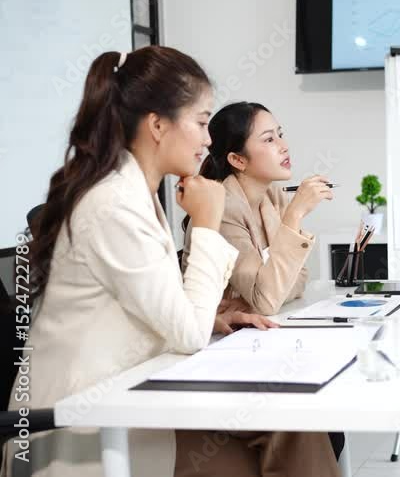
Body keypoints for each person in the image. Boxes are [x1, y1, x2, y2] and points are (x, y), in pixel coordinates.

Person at [5, 46, 250, 477]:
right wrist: (208, 222)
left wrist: (210, 318)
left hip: (119, 407)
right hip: (81, 430)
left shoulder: (134, 193)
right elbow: (187, 334)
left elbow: (153, 307)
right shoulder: (114, 205)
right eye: (200, 121)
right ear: (157, 125)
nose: (208, 139)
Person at [178, 101, 344, 469]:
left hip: (250, 343)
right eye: (269, 139)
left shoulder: (269, 197)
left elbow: (294, 284)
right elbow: (269, 298)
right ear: (238, 160)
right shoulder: (224, 209)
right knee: (305, 417)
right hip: (218, 354)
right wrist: (296, 215)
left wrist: (267, 284)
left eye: (281, 135)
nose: (283, 146)